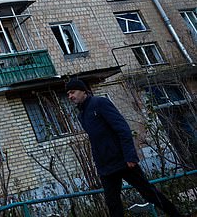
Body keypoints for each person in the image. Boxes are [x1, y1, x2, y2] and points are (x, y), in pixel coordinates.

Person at [66, 79, 183, 217]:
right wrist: (99, 166)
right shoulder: (82, 115)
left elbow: (122, 129)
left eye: (72, 92)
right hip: (106, 167)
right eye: (68, 94)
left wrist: (130, 156)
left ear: (83, 91)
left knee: (149, 193)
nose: (70, 97)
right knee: (112, 203)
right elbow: (96, 140)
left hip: (124, 161)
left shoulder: (100, 103)